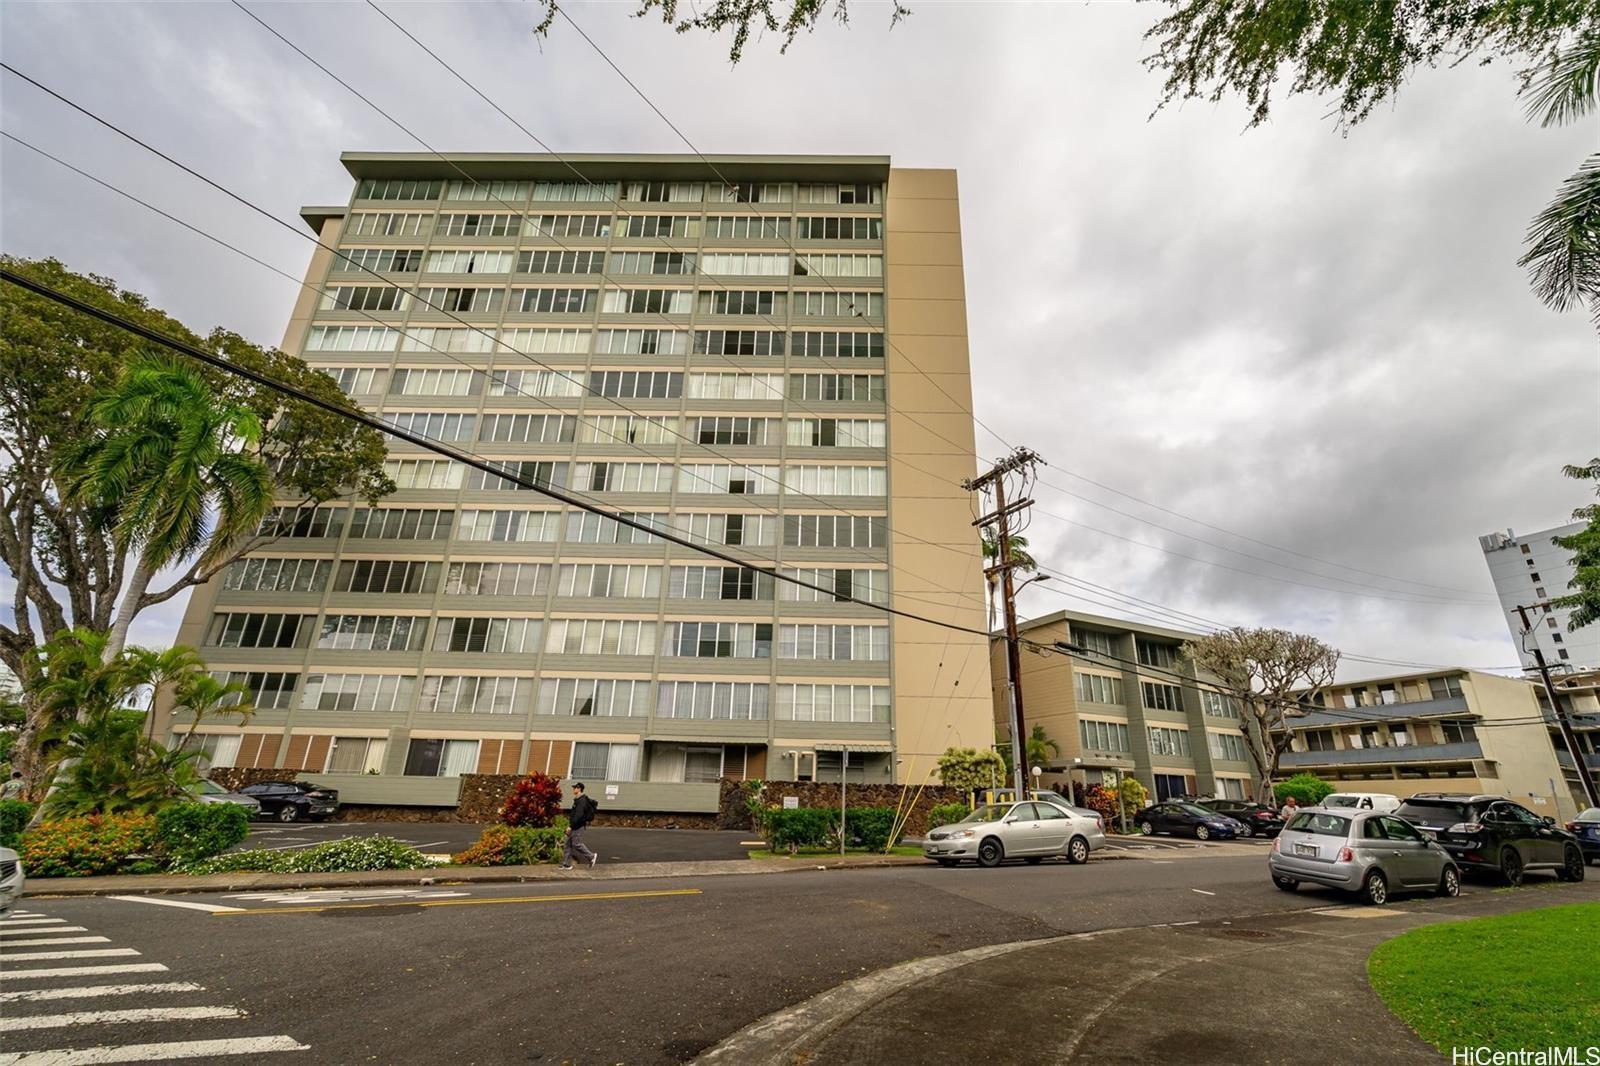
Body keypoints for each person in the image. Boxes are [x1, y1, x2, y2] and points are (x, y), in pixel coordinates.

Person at [560, 782, 599, 870]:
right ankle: (566, 864)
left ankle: (591, 856)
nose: (573, 789)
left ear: (579, 789)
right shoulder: (577, 800)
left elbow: (579, 815)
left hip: (578, 826)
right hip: (575, 825)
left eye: (575, 788)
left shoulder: (582, 801)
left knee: (576, 844)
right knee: (568, 844)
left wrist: (571, 826)